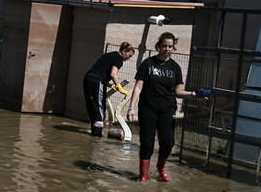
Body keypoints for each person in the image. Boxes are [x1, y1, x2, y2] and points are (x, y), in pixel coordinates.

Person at [127, 32, 208, 182]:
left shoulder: (175, 67)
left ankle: (160, 167)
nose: (167, 49)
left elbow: (178, 92)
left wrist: (193, 94)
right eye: (164, 46)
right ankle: (143, 176)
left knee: (168, 142)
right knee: (146, 142)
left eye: (170, 46)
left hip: (167, 108)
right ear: (159, 46)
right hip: (148, 107)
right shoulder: (148, 63)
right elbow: (138, 86)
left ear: (173, 47)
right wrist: (131, 107)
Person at [83, 42, 135, 136]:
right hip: (97, 81)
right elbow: (113, 74)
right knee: (100, 109)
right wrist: (120, 88)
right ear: (123, 51)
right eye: (129, 55)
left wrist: (109, 84)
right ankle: (97, 137)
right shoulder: (118, 59)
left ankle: (94, 132)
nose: (129, 58)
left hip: (88, 79)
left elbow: (101, 69)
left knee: (92, 107)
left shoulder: (109, 55)